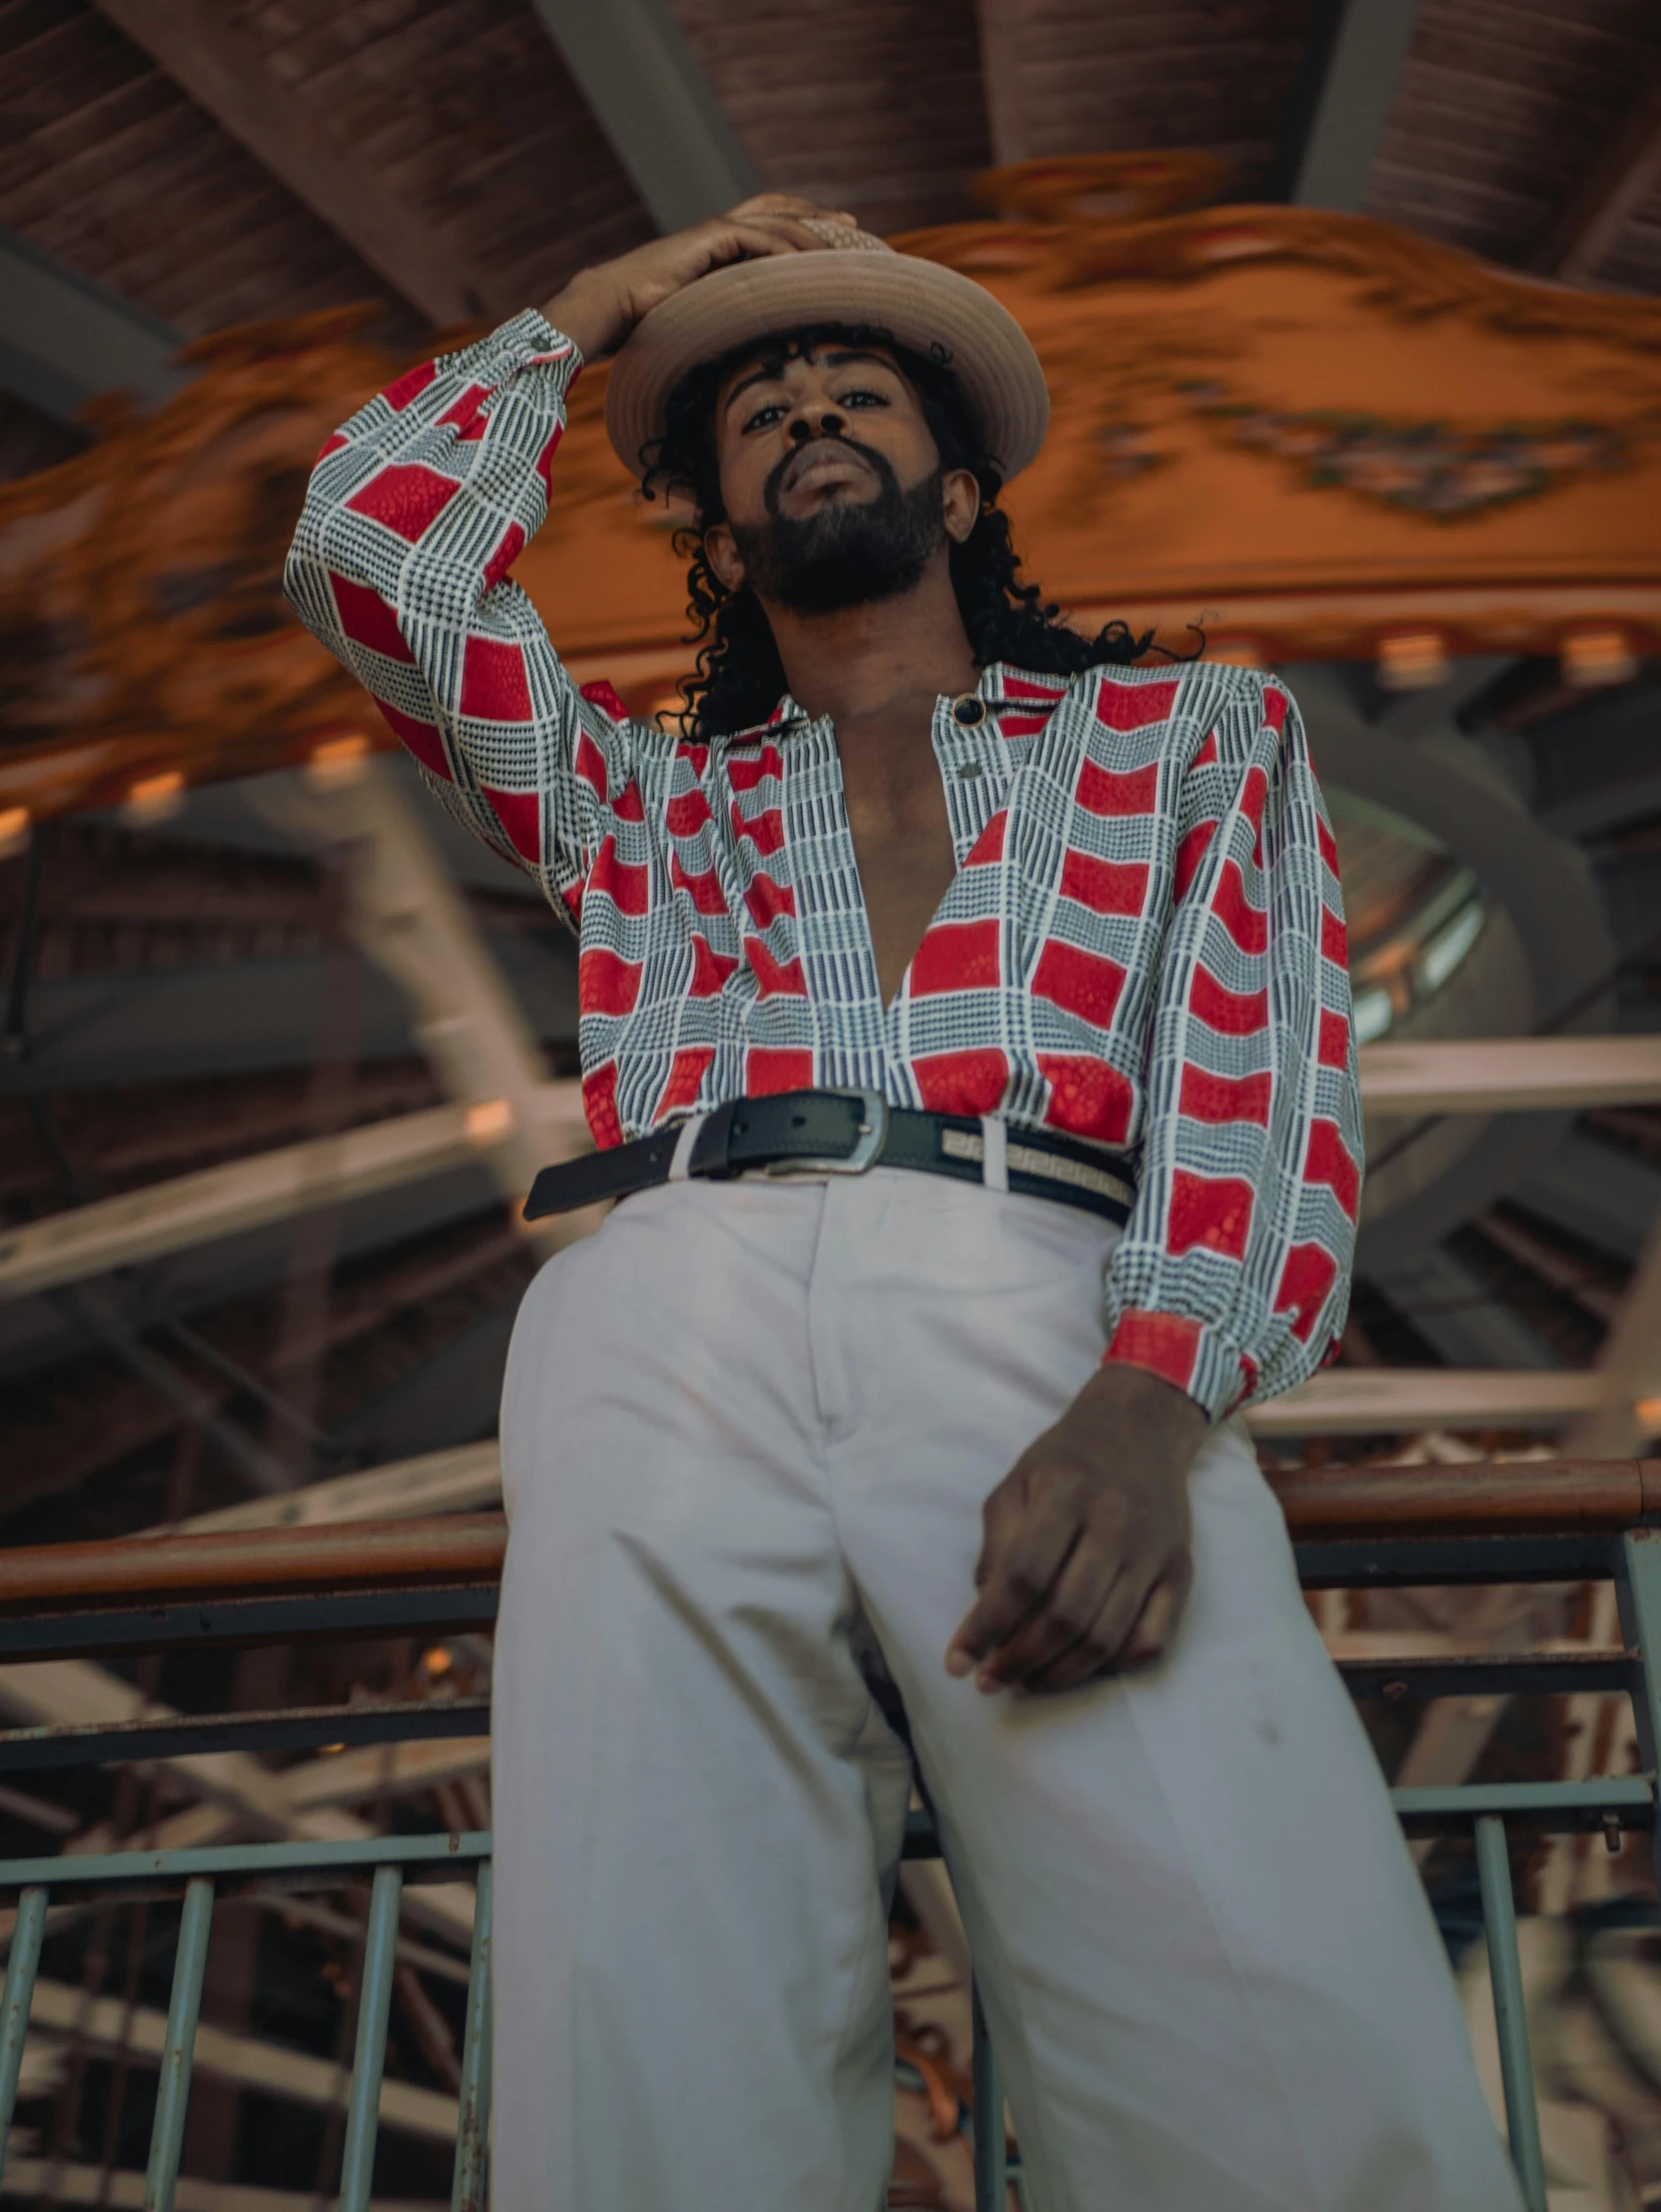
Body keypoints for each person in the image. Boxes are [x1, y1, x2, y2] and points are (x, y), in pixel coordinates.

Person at [286, 196, 1520, 2212]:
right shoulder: (640, 799)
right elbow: (366, 550)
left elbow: (1265, 1071)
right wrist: (605, 306)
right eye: (759, 411)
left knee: (1242, 1952)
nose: (811, 417)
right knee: (649, 1983)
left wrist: (1151, 1402)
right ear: (712, 512)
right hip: (665, 1294)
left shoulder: (1188, 737)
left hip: (1047, 1293)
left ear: (958, 482)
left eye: (859, 390)